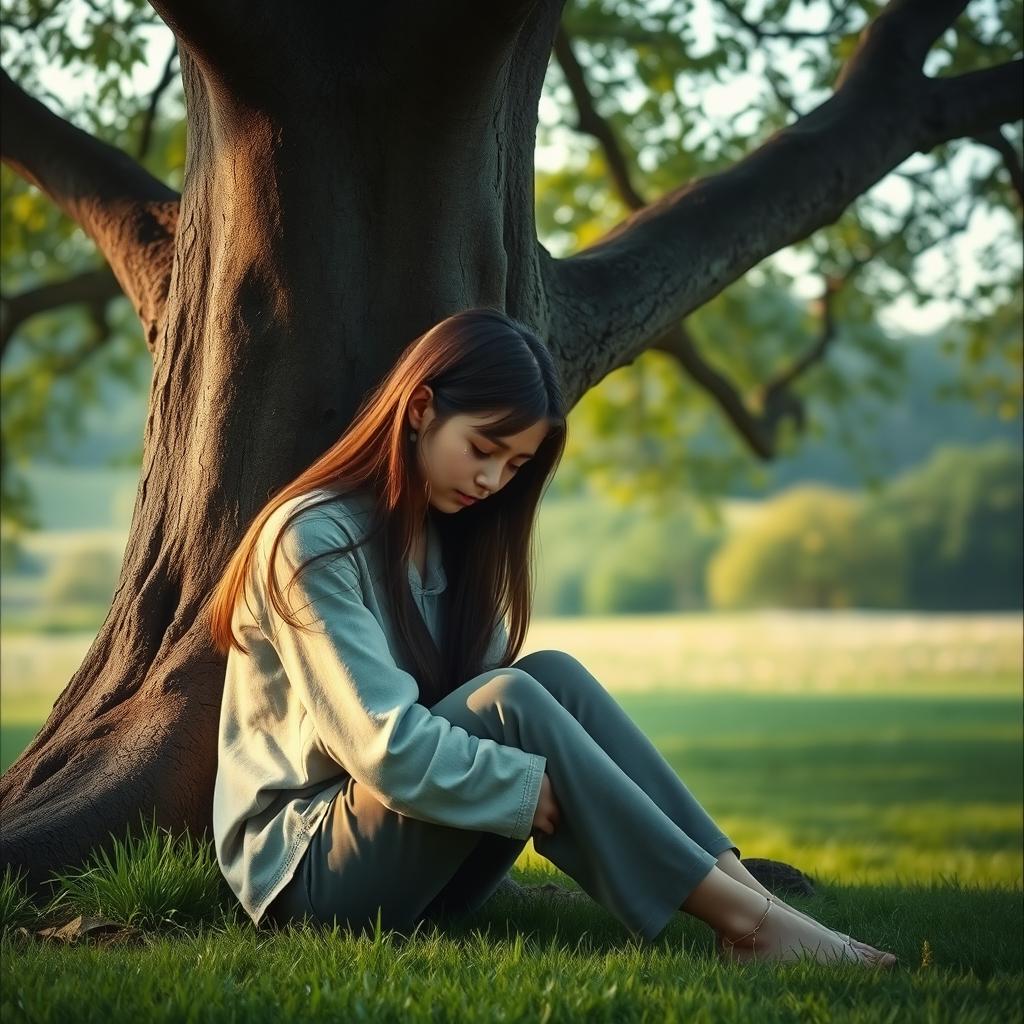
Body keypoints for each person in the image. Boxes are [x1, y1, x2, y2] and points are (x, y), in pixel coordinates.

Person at [207, 307, 897, 967]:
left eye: (514, 466)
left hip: (425, 870)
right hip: (307, 877)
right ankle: (751, 927)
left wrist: (516, 778)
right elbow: (384, 749)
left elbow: (489, 706)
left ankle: (759, 903)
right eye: (484, 448)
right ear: (420, 409)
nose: (493, 480)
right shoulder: (311, 538)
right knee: (514, 699)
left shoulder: (450, 542)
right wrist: (515, 782)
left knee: (550, 676)